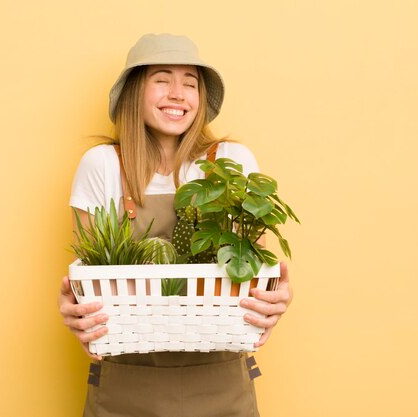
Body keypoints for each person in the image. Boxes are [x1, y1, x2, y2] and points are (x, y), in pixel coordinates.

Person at [59, 33, 293, 417]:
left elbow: (255, 264)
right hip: (125, 385)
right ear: (136, 91)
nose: (178, 93)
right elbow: (85, 275)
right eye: (162, 79)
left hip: (221, 383)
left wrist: (280, 297)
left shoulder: (231, 160)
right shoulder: (101, 164)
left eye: (190, 83)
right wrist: (71, 305)